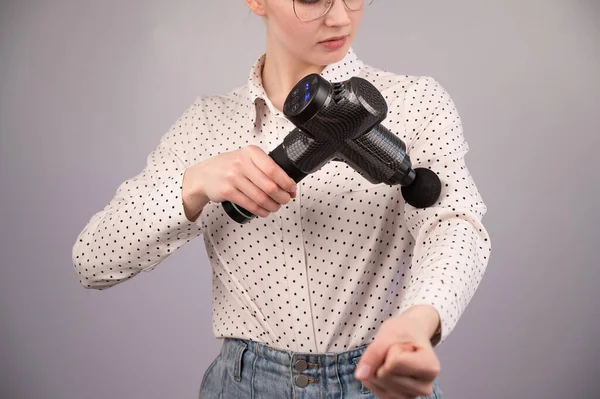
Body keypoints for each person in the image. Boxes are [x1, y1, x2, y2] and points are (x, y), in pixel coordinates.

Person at [72, 0, 492, 398]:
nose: (341, 18)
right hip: (245, 386)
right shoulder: (205, 126)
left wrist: (417, 322)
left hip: (379, 378)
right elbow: (93, 260)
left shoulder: (416, 103)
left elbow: (455, 225)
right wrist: (193, 185)